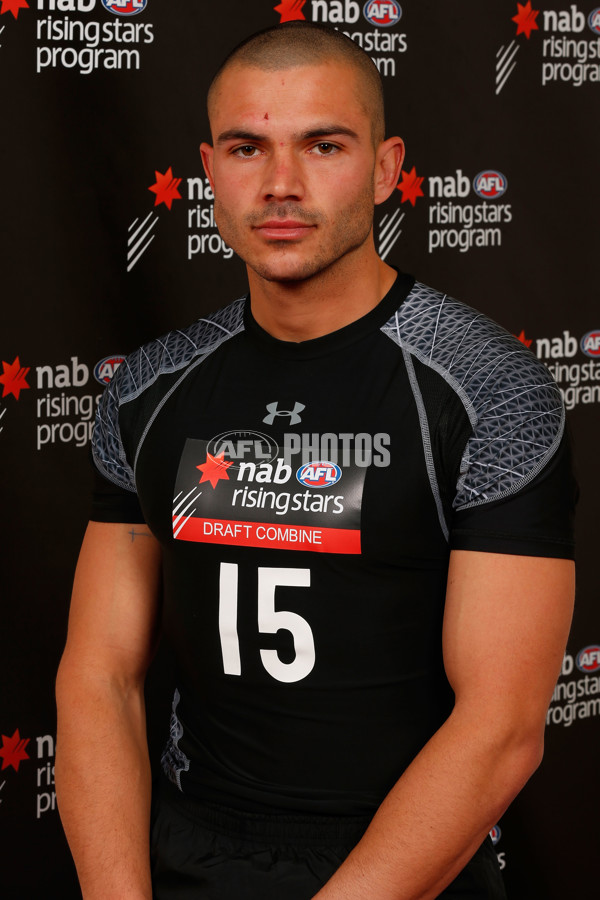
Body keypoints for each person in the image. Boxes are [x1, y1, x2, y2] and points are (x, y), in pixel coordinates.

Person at [55, 21, 576, 900]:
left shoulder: (488, 388)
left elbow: (503, 725)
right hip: (191, 850)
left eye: (323, 145)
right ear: (209, 171)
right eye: (246, 148)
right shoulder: (149, 388)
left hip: (406, 865)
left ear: (384, 167)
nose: (281, 185)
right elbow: (100, 674)